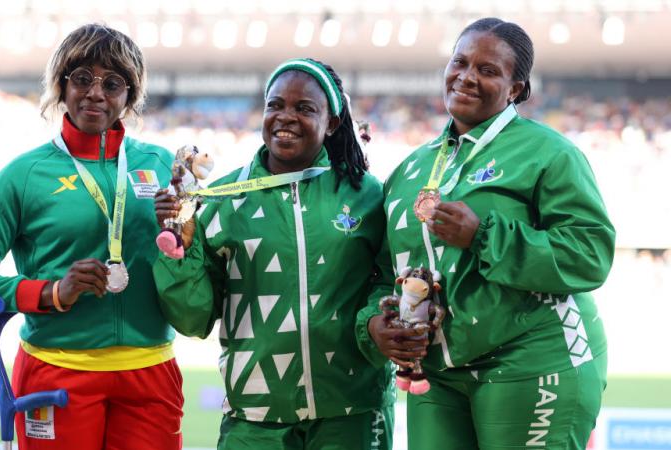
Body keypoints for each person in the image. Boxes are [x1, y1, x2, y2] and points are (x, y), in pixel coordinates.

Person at [153, 58, 425, 450]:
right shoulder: (225, 200)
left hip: (352, 413)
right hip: (255, 419)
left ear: (332, 122)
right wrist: (177, 250)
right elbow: (193, 318)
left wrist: (374, 325)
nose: (286, 117)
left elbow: (385, 281)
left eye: (304, 108)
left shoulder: (365, 193)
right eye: (275, 105)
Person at [369, 17, 616, 449]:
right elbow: (379, 271)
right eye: (460, 62)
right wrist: (376, 323)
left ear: (516, 88)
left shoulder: (550, 153)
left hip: (535, 360)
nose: (467, 77)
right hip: (438, 373)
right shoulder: (410, 169)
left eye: (488, 70)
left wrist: (485, 235)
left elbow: (589, 253)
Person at [0, 24, 183, 450]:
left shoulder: (163, 166)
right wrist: (50, 291)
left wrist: (187, 236)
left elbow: (196, 260)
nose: (96, 93)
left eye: (113, 82)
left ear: (131, 95)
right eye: (82, 78)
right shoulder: (26, 174)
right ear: (60, 84)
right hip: (57, 371)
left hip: (151, 374)